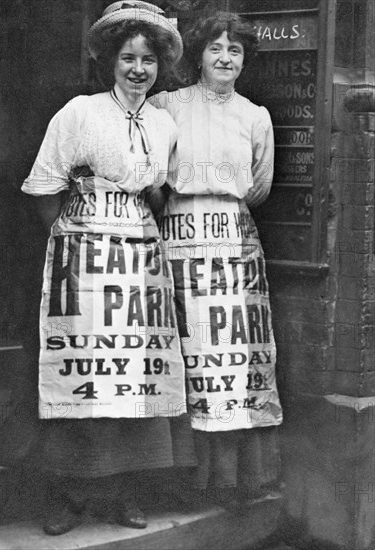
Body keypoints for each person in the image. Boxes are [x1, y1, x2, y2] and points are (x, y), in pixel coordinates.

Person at [0, 1, 197, 535]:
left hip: (139, 262)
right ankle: (70, 494)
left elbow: (157, 191)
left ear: (160, 67)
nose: (138, 70)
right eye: (129, 58)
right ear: (111, 60)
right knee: (84, 369)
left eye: (149, 61)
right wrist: (73, 243)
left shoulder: (162, 124)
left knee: (133, 371)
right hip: (84, 257)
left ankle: (126, 492)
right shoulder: (79, 113)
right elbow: (44, 188)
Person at [150, 11, 283, 505]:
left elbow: (261, 186)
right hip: (179, 236)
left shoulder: (255, 115)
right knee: (185, 352)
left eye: (235, 51)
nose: (224, 58)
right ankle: (183, 479)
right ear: (198, 56)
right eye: (215, 49)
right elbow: (155, 174)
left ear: (244, 60)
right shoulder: (168, 105)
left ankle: (229, 479)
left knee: (230, 356)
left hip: (233, 242)